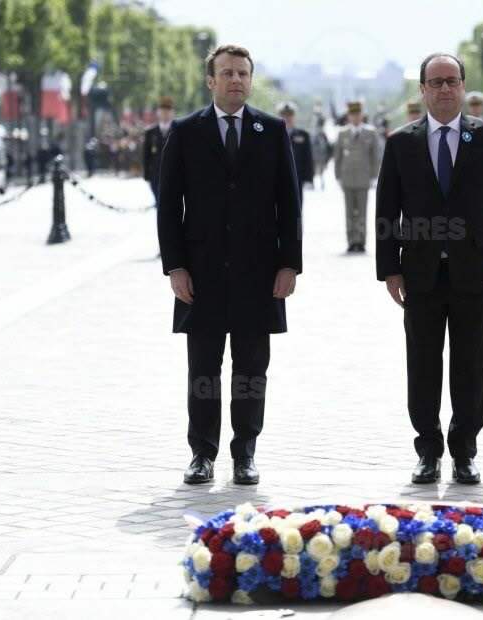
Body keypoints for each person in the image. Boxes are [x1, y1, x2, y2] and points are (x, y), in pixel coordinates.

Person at [157, 44, 302, 486]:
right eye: (227, 72)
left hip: (259, 274)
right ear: (211, 80)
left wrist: (289, 265)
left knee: (251, 369)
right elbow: (168, 206)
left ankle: (245, 452)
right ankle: (202, 453)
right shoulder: (185, 132)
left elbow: (289, 204)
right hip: (200, 274)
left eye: (243, 73)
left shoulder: (272, 130)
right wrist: (175, 267)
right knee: (203, 369)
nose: (236, 79)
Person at [375, 53, 483, 485]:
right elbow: (386, 209)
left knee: (471, 361)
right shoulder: (401, 142)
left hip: (473, 270)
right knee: (422, 361)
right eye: (434, 82)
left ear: (462, 86)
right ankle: (427, 449)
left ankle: (465, 450)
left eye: (451, 81)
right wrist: (389, 269)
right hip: (418, 272)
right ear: (421, 90)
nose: (443, 89)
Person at [335, 101, 380, 253]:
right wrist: (338, 176)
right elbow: (338, 156)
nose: (355, 117)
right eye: (352, 114)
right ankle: (350, 241)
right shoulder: (342, 133)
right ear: (348, 116)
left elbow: (375, 156)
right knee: (349, 212)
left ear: (362, 115)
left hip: (363, 178)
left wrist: (374, 176)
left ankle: (360, 241)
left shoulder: (370, 132)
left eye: (357, 114)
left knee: (361, 211)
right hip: (347, 178)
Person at [277, 101, 314, 209]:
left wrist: (309, 179)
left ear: (294, 116)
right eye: (284, 115)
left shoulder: (303, 135)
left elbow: (308, 158)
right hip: (277, 179)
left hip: (297, 179)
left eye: (290, 115)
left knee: (296, 210)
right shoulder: (272, 133)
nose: (287, 118)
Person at [143, 96, 175, 206]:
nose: (165, 114)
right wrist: (147, 175)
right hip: (156, 174)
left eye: (168, 111)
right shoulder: (150, 132)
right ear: (158, 113)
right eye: (162, 111)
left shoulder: (179, 130)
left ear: (172, 113)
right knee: (159, 203)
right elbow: (146, 155)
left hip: (174, 174)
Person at [311, 115, 331, 190]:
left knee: (320, 171)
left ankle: (320, 184)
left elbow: (327, 146)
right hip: (316, 155)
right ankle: (314, 183)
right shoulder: (316, 133)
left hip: (321, 156)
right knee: (316, 171)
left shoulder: (322, 134)